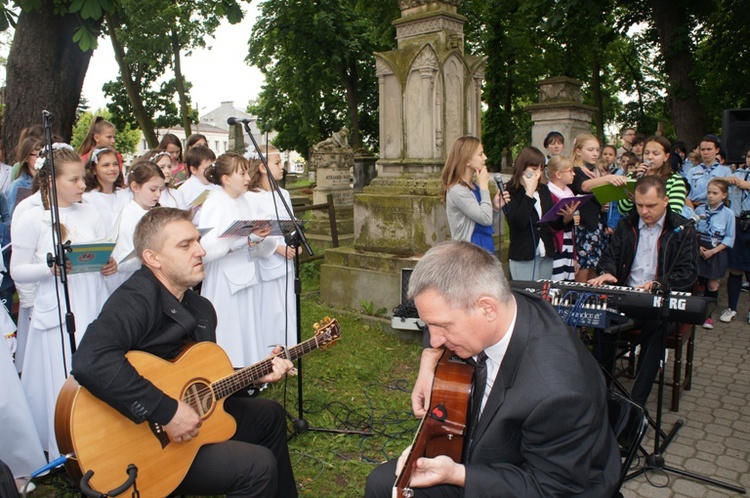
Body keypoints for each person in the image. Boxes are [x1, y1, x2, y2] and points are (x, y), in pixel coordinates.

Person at [71, 207, 298, 497]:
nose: (201, 251)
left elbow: (202, 381)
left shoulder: (200, 309)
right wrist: (166, 411)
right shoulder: (136, 298)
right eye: (185, 245)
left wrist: (254, 377)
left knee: (269, 415)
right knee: (257, 466)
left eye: (198, 241)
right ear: (153, 258)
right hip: (145, 443)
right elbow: (90, 361)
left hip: (187, 424)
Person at [365, 241, 620, 497]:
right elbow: (438, 317)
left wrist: (457, 474)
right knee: (382, 484)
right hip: (489, 454)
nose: (435, 338)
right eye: (430, 325)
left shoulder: (556, 392)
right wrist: (429, 360)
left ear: (487, 309)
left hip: (534, 481)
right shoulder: (501, 298)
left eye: (443, 327)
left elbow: (551, 488)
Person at [10, 146, 116, 458]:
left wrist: (108, 264)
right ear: (51, 181)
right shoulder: (33, 218)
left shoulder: (90, 211)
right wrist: (48, 268)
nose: (83, 185)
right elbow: (17, 269)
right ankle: (65, 441)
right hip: (57, 304)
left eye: (82, 178)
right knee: (61, 372)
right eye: (74, 180)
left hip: (91, 297)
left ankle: (100, 433)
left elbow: (101, 251)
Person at [590, 176, 698, 407]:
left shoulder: (683, 229)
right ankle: (601, 394)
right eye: (640, 205)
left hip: (660, 303)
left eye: (651, 206)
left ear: (666, 201)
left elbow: (688, 273)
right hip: (627, 298)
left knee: (655, 329)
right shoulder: (626, 225)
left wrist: (660, 284)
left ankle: (635, 406)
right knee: (602, 323)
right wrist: (607, 271)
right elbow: (609, 257)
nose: (644, 211)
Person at [199, 153, 275, 366]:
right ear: (225, 178)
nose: (247, 178)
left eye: (247, 173)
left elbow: (248, 241)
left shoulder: (245, 201)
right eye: (241, 173)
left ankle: (249, 369)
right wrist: (244, 239)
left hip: (245, 271)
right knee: (228, 326)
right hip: (224, 277)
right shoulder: (215, 202)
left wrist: (260, 237)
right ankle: (226, 368)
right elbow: (207, 248)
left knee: (246, 323)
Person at [245, 146, 299, 358]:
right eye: (277, 163)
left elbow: (290, 224)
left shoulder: (283, 194)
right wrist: (276, 248)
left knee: (286, 307)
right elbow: (252, 232)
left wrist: (296, 241)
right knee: (270, 309)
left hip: (287, 259)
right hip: (266, 259)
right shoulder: (252, 197)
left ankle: (288, 351)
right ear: (262, 167)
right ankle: (268, 354)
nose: (281, 167)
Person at [569, 133, 628, 282]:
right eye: (590, 150)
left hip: (597, 227)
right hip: (582, 229)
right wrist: (607, 179)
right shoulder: (574, 171)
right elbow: (583, 186)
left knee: (595, 274)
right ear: (578, 151)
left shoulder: (595, 171)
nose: (595, 153)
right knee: (582, 274)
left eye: (597, 150)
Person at [505, 146, 569, 280]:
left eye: (541, 169)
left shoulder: (544, 190)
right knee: (527, 295)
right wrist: (529, 193)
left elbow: (552, 222)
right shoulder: (510, 191)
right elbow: (517, 222)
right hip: (524, 253)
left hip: (545, 251)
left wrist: (566, 217)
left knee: (543, 294)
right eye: (534, 169)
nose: (538, 174)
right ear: (522, 167)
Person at [106, 162, 166, 294]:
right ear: (135, 187)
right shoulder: (128, 217)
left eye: (161, 190)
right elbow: (121, 260)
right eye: (152, 189)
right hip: (133, 281)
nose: (157, 195)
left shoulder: (153, 212)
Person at [441, 136, 503, 253]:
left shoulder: (475, 186)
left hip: (484, 247)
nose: (485, 158)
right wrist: (484, 187)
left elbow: (485, 223)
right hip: (470, 253)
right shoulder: (457, 190)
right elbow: (485, 219)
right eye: (480, 154)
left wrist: (494, 208)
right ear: (467, 160)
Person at [694, 178, 734, 329]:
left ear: (724, 195)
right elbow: (693, 230)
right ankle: (694, 313)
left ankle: (707, 316)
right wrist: (697, 248)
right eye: (709, 192)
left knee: (712, 284)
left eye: (715, 193)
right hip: (700, 248)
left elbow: (730, 237)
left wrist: (713, 251)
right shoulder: (700, 210)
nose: (710, 196)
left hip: (717, 251)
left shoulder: (728, 214)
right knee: (698, 282)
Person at [617, 136, 687, 216]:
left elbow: (675, 213)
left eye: (655, 154)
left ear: (666, 156)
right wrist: (637, 181)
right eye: (646, 153)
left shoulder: (675, 181)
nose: (650, 157)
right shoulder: (633, 176)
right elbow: (622, 209)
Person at [721, 146, 750, 324]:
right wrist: (727, 178)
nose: (749, 160)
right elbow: (715, 181)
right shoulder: (738, 173)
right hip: (740, 225)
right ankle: (731, 307)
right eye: (748, 156)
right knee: (736, 267)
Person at [82, 147, 131, 240]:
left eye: (115, 164)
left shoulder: (125, 195)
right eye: (106, 165)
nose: (112, 168)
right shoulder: (87, 198)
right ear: (94, 170)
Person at [546, 155, 581, 282]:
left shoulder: (569, 193)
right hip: (557, 244)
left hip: (568, 243)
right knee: (556, 281)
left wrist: (574, 257)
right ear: (558, 174)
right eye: (570, 171)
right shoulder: (549, 194)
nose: (574, 174)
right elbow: (551, 223)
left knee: (568, 280)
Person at [175, 145, 221, 225]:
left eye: (213, 167)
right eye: (206, 168)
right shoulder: (184, 190)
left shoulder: (217, 185)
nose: (211, 171)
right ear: (193, 169)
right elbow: (182, 217)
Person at [686, 135, 733, 207]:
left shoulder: (725, 171)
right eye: (703, 149)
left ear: (717, 150)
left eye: (709, 149)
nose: (705, 152)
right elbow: (686, 193)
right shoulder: (692, 171)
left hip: (718, 208)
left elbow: (729, 194)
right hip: (696, 208)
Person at [6, 136, 42, 216]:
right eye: (36, 154)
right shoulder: (17, 186)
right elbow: (12, 218)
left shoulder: (50, 182)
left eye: (42, 154)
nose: (41, 158)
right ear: (26, 158)